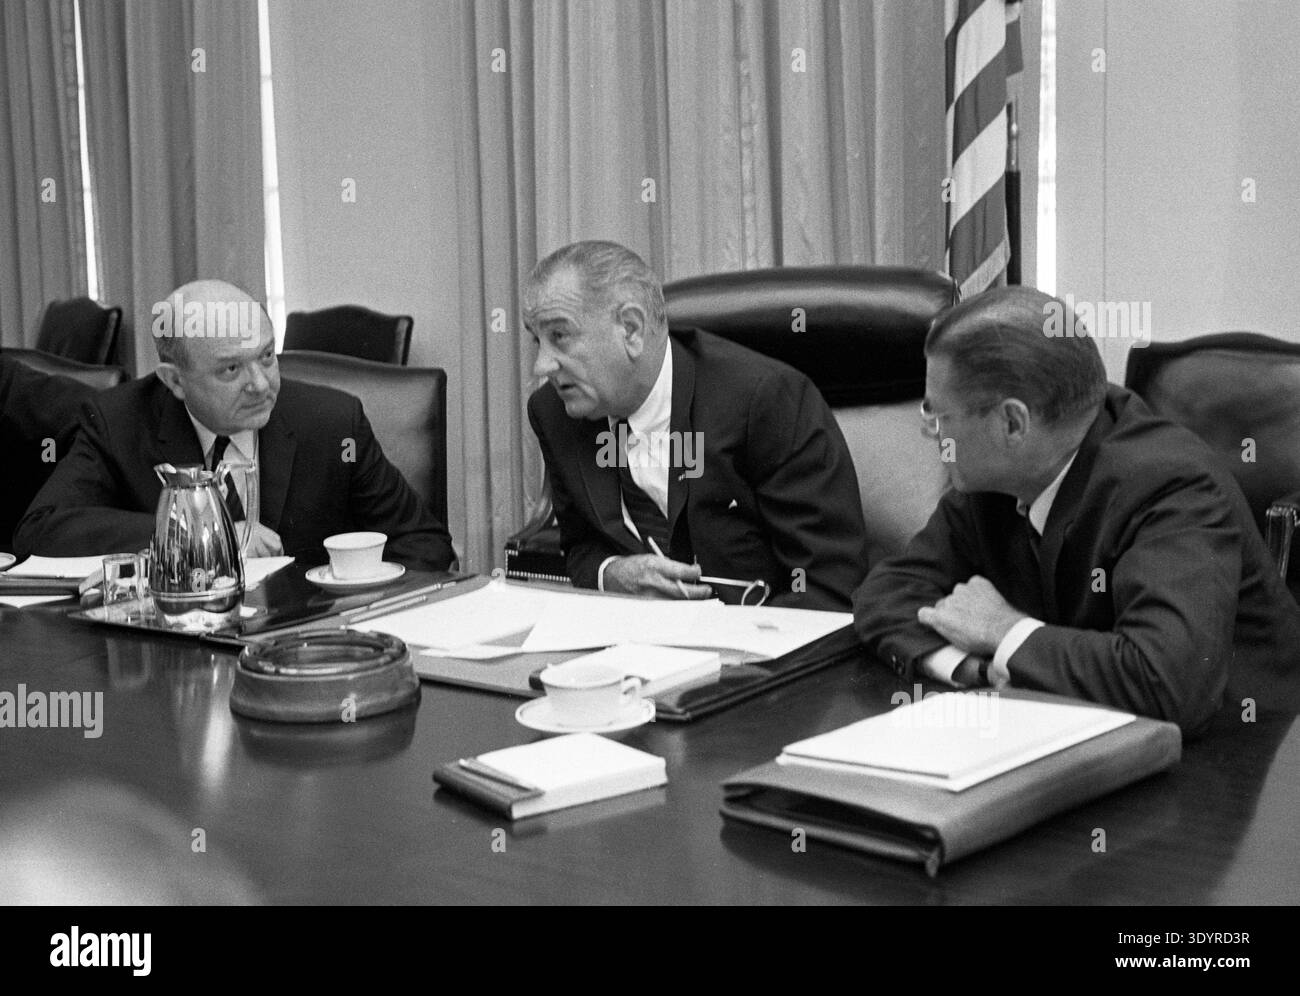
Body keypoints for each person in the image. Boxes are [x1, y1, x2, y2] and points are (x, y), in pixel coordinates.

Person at [853, 286, 1300, 734]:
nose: (928, 433)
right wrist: (978, 668)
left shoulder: (1170, 486)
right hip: (1078, 732)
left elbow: (1168, 684)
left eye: (937, 416)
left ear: (1012, 423)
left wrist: (1005, 630)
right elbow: (886, 594)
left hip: (1241, 760)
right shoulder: (991, 484)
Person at [15, 280, 455, 572]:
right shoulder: (119, 421)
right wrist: (194, 532)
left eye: (266, 355)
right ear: (175, 381)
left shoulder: (334, 424)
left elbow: (422, 542)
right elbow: (42, 528)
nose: (261, 384)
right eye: (230, 370)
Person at [524, 240, 867, 610]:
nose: (541, 366)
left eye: (559, 336)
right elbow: (581, 547)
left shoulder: (766, 399)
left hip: (761, 645)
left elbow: (828, 584)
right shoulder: (555, 412)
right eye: (536, 340)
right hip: (632, 649)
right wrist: (612, 574)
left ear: (631, 329)